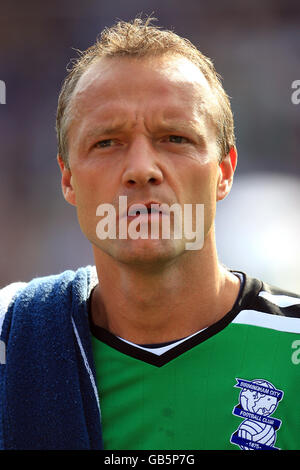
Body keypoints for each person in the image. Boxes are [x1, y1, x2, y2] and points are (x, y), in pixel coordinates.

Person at [0, 17, 299, 451]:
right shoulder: (13, 339)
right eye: (107, 142)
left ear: (224, 170)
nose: (142, 169)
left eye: (175, 138)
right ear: (67, 179)